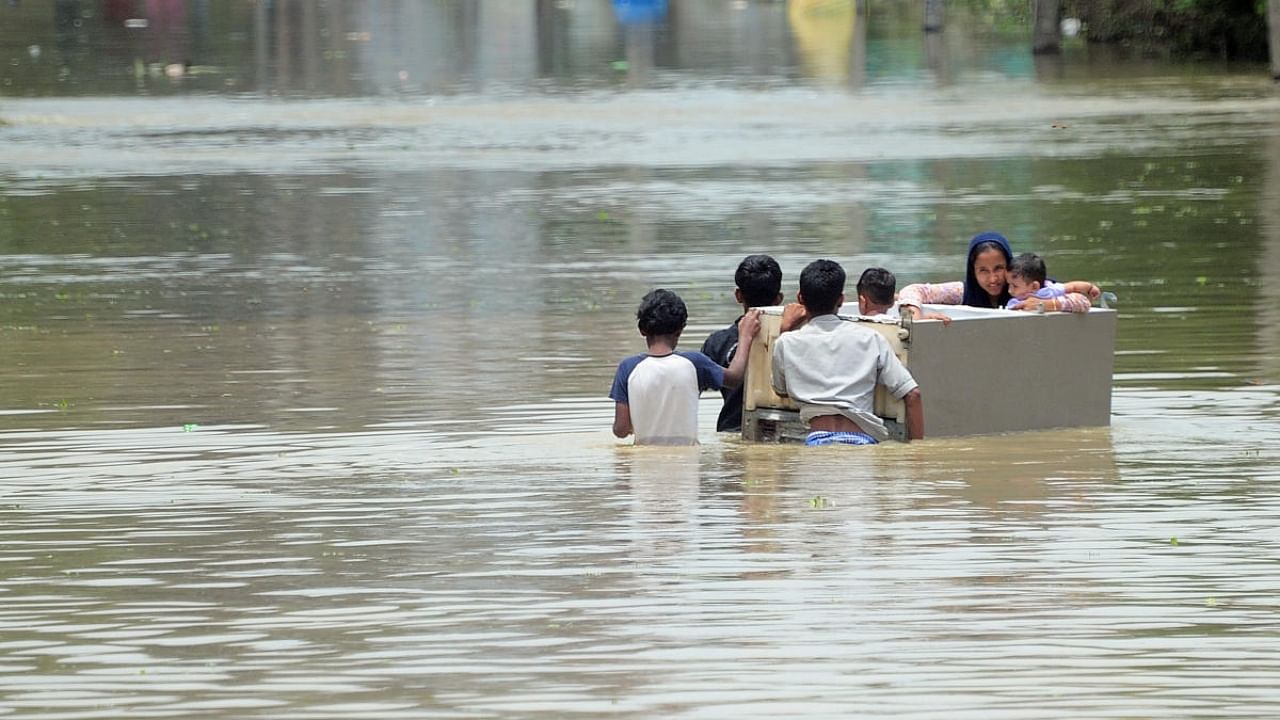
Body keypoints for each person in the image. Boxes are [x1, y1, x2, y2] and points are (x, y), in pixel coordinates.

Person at [771, 260, 924, 447]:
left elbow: (780, 390)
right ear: (841, 300)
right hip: (862, 442)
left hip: (816, 443)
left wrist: (785, 328)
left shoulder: (785, 343)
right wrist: (918, 452)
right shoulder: (870, 339)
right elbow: (913, 394)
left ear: (800, 298)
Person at [611, 288, 760, 445]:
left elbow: (621, 430)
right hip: (687, 462)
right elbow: (735, 378)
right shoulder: (695, 363)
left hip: (643, 464)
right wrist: (745, 336)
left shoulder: (627, 368)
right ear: (680, 330)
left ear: (642, 329)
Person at [897, 231, 1094, 318]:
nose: (993, 279)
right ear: (972, 272)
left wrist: (1045, 305)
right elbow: (914, 290)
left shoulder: (1030, 289)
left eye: (999, 269)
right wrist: (915, 317)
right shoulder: (962, 292)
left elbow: (1082, 302)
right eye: (983, 271)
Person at [701, 254, 783, 432]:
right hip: (783, 431)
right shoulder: (795, 338)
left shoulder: (718, 343)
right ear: (779, 298)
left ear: (738, 295)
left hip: (731, 433)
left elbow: (691, 392)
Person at [1005, 252, 1102, 312]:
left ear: (1034, 286)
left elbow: (1073, 287)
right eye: (1009, 285)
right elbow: (1073, 286)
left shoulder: (1051, 289)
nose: (1010, 291)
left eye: (1014, 286)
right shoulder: (1016, 302)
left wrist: (1090, 288)